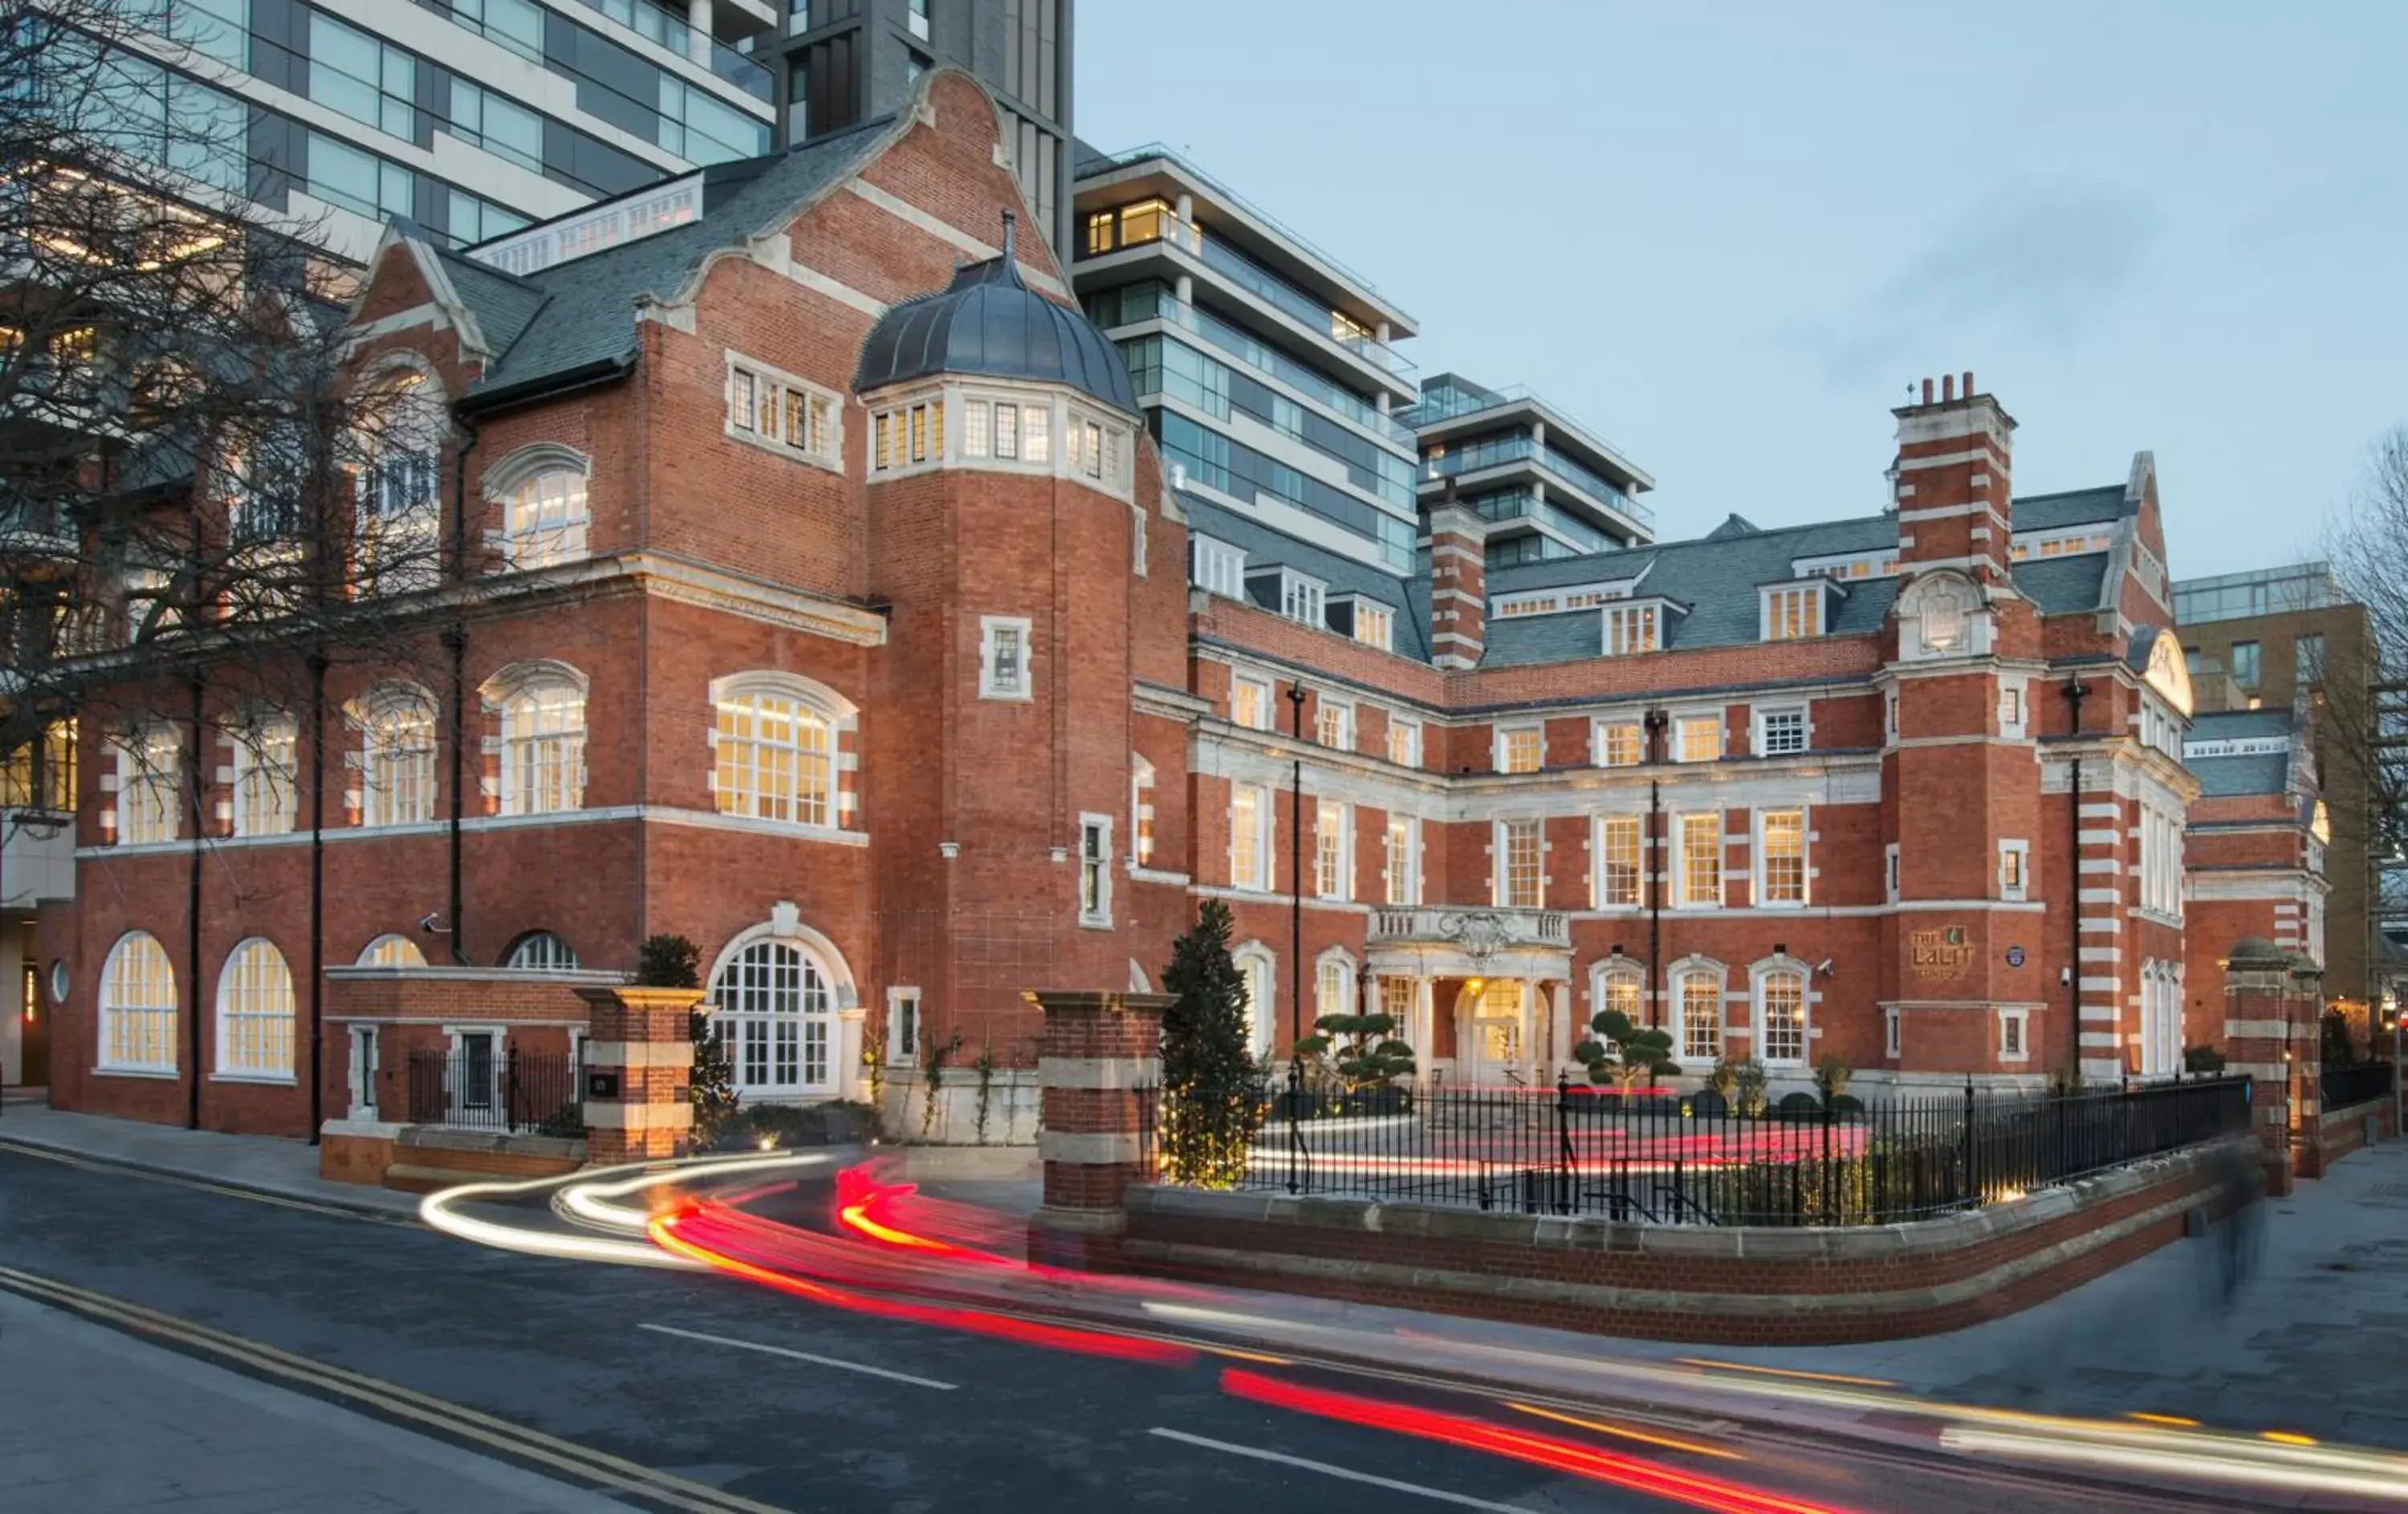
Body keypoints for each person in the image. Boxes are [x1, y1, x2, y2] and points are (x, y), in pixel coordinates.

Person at [2212, 1140, 2266, 1305]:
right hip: (2236, 1214)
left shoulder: (2235, 1171)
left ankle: (2232, 1279)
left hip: (2234, 1214)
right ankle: (2234, 1276)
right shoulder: (2245, 1171)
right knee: (2234, 1246)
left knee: (2231, 1247)